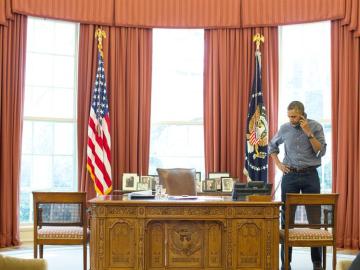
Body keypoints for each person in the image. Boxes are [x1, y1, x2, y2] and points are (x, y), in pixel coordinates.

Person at [268, 101, 327, 270]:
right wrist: (278, 164)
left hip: (310, 176)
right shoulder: (285, 128)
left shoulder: (316, 127)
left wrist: (308, 132)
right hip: (290, 175)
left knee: (315, 220)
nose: (291, 119)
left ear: (302, 114)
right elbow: (272, 146)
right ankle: (286, 262)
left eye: (294, 116)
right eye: (289, 116)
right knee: (287, 220)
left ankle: (317, 263)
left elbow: (321, 151)